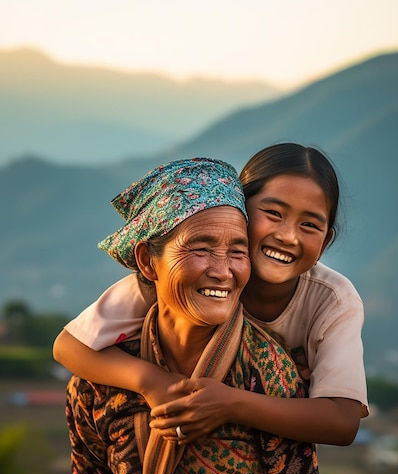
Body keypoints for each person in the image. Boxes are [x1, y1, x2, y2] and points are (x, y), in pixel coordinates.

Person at [58, 157, 326, 474]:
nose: (222, 272)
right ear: (147, 260)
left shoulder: (269, 375)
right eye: (201, 248)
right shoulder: (103, 377)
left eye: (238, 251)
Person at [54, 143, 368, 450]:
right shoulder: (179, 278)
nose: (288, 236)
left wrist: (230, 403)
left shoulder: (333, 301)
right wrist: (152, 381)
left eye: (310, 225)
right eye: (273, 213)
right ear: (239, 209)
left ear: (326, 241)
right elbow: (70, 345)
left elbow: (342, 421)